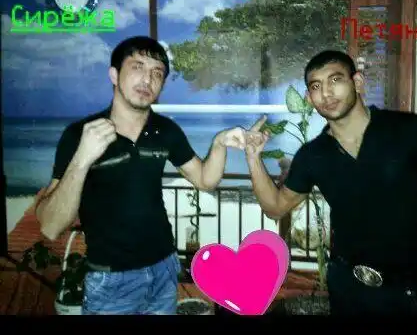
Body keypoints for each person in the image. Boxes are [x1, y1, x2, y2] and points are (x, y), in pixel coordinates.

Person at [36, 36, 263, 315]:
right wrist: (82, 159)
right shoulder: (81, 134)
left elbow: (205, 180)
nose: (147, 79)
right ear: (114, 74)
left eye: (157, 73)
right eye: (138, 67)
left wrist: (219, 144)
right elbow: (50, 226)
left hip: (163, 268)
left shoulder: (165, 130)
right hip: (111, 279)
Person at [245, 50, 417, 316]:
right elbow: (276, 207)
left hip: (407, 290)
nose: (326, 93)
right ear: (310, 98)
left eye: (335, 80)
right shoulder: (313, 155)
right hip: (347, 288)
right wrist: (253, 157)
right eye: (316, 86)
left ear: (357, 82)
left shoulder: (410, 130)